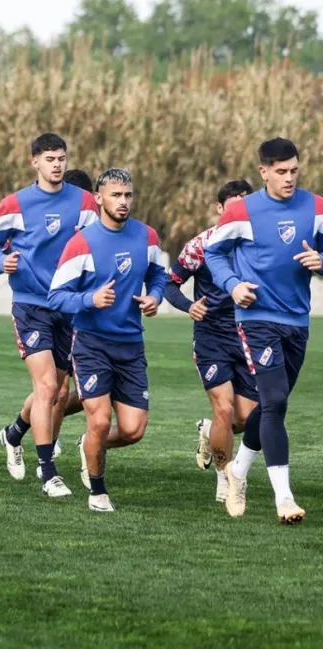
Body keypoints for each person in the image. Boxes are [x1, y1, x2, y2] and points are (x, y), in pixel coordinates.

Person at [205, 138, 323, 525]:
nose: (289, 178)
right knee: (274, 403)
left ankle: (236, 473)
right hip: (256, 319)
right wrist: (233, 284)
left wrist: (320, 263)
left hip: (297, 321)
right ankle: (283, 499)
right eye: (281, 172)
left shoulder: (315, 207)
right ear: (264, 172)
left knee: (274, 404)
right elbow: (213, 252)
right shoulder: (242, 211)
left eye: (294, 170)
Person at [0, 135, 99, 496]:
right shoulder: (15, 203)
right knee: (48, 386)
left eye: (62, 158)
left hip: (70, 306)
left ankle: (15, 433)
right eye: (50, 159)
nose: (57, 165)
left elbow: (100, 241)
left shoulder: (84, 201)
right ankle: (48, 472)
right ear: (35, 162)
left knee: (59, 390)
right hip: (31, 304)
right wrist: (2, 260)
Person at [48, 168, 166, 512]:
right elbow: (56, 297)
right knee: (100, 420)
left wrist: (155, 297)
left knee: (132, 431)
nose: (123, 201)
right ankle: (98, 492)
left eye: (128, 195)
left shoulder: (147, 237)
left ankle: (90, 445)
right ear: (99, 198)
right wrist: (90, 300)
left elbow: (159, 276)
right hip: (91, 343)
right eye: (116, 195)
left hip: (130, 345)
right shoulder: (81, 242)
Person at [163, 180, 257, 504]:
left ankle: (209, 433)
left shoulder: (261, 242)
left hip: (249, 334)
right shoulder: (200, 245)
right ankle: (224, 476)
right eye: (233, 206)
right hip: (211, 334)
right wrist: (188, 305)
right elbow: (169, 283)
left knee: (247, 419)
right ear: (220, 209)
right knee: (225, 408)